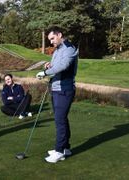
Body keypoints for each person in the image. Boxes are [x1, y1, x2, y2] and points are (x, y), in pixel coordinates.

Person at [36, 26, 78, 163]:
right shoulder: (59, 49)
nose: (51, 42)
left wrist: (45, 73)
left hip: (64, 90)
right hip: (56, 88)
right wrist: (49, 66)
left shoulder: (69, 48)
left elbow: (63, 66)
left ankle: (59, 151)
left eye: (53, 38)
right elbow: (56, 66)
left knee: (60, 120)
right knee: (61, 119)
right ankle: (65, 148)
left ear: (59, 34)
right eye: (50, 40)